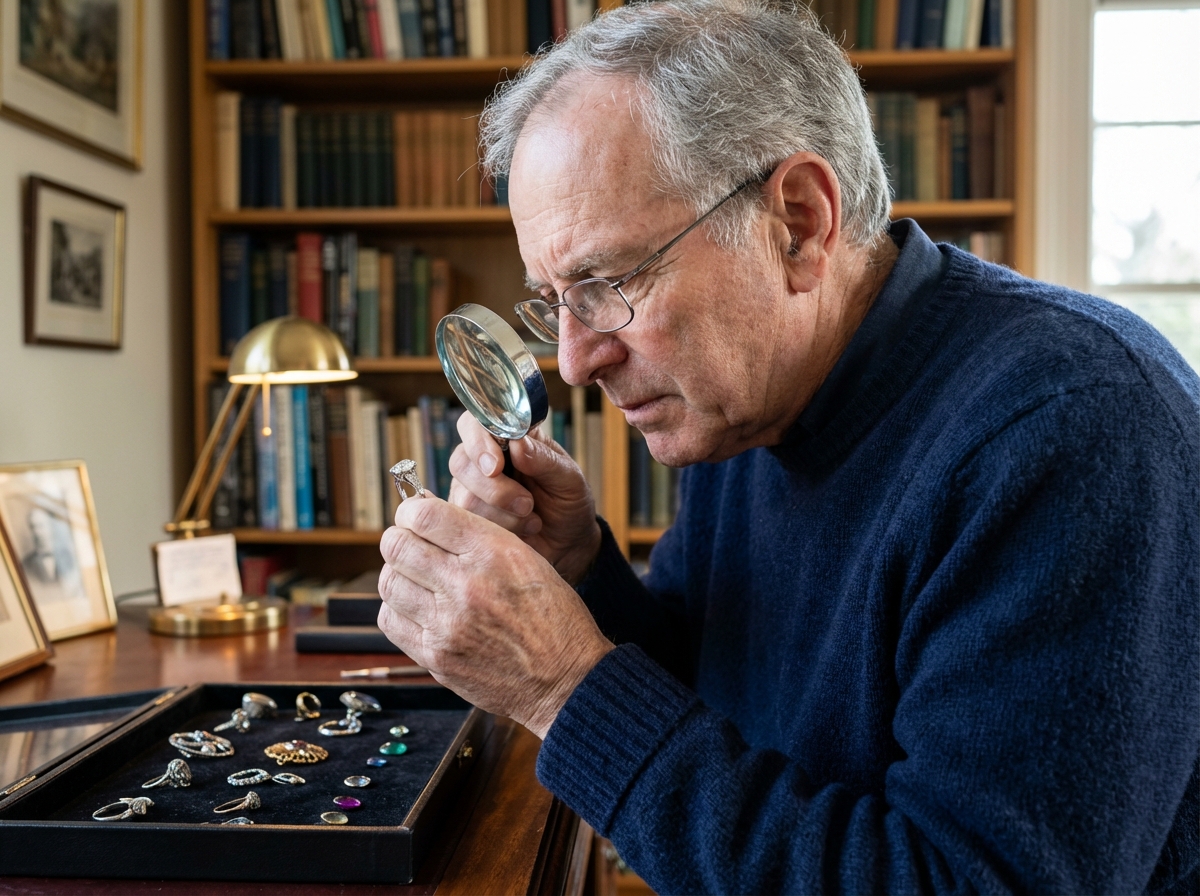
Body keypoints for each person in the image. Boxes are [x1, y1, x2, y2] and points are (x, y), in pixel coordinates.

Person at [376, 1, 1200, 892]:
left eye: (608, 283)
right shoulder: (750, 403)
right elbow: (716, 692)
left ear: (799, 223)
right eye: (555, 300)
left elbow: (965, 879)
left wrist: (562, 689)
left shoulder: (1072, 428)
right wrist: (579, 570)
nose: (574, 363)